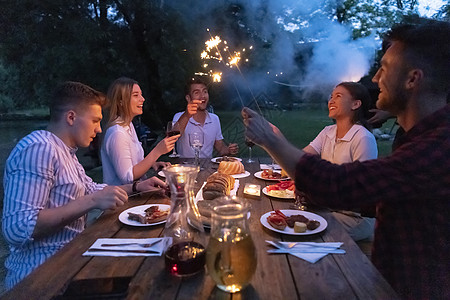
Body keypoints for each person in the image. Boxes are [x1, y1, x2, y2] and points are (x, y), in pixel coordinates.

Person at [242, 20, 450, 299]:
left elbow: (343, 185)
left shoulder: (438, 148)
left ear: (413, 79)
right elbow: (374, 199)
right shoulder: (421, 136)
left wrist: (271, 139)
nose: (375, 79)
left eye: (384, 69)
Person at [2, 81, 166, 289]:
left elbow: (91, 189)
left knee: (156, 252)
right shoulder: (39, 148)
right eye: (95, 121)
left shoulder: (66, 152)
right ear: (71, 117)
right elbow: (18, 228)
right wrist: (92, 201)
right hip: (42, 277)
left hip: (73, 258)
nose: (99, 129)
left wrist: (136, 188)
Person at [303, 82, 377, 241]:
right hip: (329, 209)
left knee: (306, 231)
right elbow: (302, 159)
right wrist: (273, 139)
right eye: (331, 97)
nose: (331, 101)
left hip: (355, 218)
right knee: (294, 220)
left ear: (356, 104)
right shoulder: (327, 132)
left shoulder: (363, 138)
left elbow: (362, 193)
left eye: (338, 96)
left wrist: (316, 191)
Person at [101, 77, 179, 185]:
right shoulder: (117, 133)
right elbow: (128, 177)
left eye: (141, 95)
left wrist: (153, 164)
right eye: (136, 95)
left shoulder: (129, 126)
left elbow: (133, 163)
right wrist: (157, 151)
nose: (142, 99)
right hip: (124, 199)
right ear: (121, 102)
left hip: (138, 193)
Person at [172, 77, 238, 158]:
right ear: (188, 98)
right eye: (197, 93)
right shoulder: (179, 117)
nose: (202, 96)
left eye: (205, 91)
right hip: (185, 168)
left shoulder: (214, 119)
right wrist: (187, 115)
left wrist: (229, 150)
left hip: (207, 167)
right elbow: (172, 137)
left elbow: (221, 149)